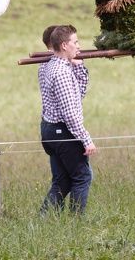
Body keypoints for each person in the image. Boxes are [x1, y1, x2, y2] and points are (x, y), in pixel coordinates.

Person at [39, 24, 96, 214]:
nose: (79, 46)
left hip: (50, 129)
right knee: (82, 177)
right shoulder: (62, 73)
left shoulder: (49, 65)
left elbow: (77, 95)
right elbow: (70, 113)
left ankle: (44, 218)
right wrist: (86, 139)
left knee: (62, 180)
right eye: (75, 42)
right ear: (64, 45)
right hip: (62, 130)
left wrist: (79, 68)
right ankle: (76, 223)